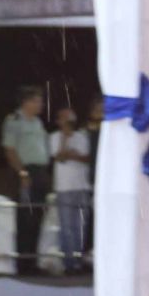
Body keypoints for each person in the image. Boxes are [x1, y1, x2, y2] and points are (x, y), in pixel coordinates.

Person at [1, 87, 51, 269]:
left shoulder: (37, 122)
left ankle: (33, 262)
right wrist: (22, 172)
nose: (41, 105)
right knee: (25, 219)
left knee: (38, 216)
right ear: (26, 102)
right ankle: (23, 265)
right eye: (38, 101)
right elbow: (10, 149)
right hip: (25, 172)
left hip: (41, 173)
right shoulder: (14, 120)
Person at [49, 106, 93, 272]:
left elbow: (87, 157)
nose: (69, 123)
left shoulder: (82, 137)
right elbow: (59, 156)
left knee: (81, 226)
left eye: (71, 119)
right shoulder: (54, 137)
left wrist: (72, 155)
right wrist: (66, 141)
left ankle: (79, 261)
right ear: (59, 121)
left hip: (81, 186)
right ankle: (69, 263)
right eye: (65, 119)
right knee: (66, 226)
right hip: (64, 187)